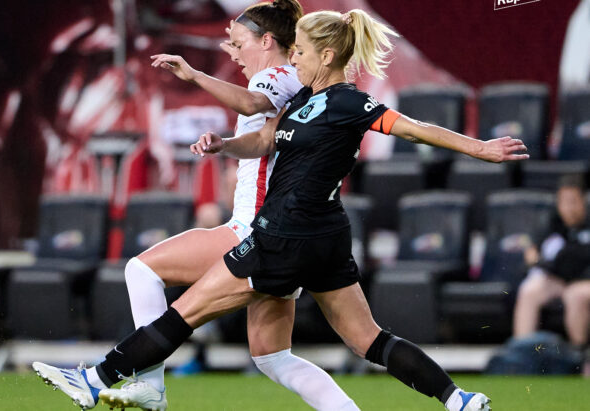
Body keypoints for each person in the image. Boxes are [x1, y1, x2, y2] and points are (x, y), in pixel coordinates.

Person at [32, 9, 528, 411]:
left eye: (303, 53)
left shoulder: (353, 104)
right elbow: (266, 138)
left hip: (281, 238)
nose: (295, 61)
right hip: (324, 238)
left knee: (183, 314)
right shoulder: (302, 100)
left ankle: (96, 380)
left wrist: (480, 149)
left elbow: (416, 129)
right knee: (368, 340)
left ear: (327, 55)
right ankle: (458, 399)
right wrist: (226, 145)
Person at [98, 1, 358, 410]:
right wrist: (225, 147)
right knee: (274, 357)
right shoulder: (289, 79)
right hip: (278, 230)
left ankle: (149, 384)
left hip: (253, 231)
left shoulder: (277, 76)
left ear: (267, 40)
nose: (231, 52)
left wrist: (195, 75)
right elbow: (263, 140)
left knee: (142, 269)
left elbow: (253, 105)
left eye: (237, 43)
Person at [513, 174, 590, 372]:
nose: (569, 208)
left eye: (573, 202)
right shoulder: (553, 222)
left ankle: (580, 359)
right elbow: (534, 253)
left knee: (574, 295)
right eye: (564, 202)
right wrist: (533, 255)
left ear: (584, 200)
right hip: (560, 279)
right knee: (530, 291)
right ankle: (520, 356)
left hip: (584, 282)